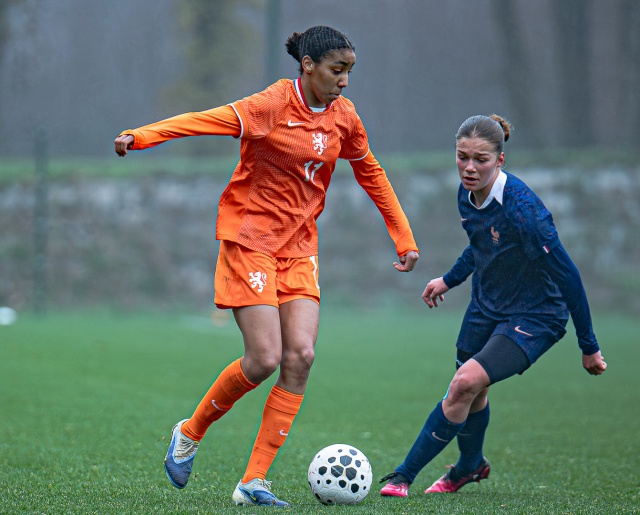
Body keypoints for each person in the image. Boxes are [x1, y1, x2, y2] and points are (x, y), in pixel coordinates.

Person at [114, 25, 420, 507]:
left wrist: (403, 237)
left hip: (299, 247)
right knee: (264, 358)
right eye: (337, 70)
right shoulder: (271, 105)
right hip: (250, 239)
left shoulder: (345, 117)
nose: (344, 81)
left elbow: (371, 173)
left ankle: (253, 480)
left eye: (349, 71)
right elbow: (202, 121)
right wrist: (141, 136)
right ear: (308, 66)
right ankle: (189, 433)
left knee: (301, 357)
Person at [379, 114, 606, 498]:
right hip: (487, 305)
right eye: (462, 157)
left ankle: (402, 477)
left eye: (480, 159)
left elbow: (568, 276)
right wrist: (449, 279)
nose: (469, 167)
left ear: (500, 160)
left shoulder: (524, 210)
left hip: (536, 314)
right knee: (474, 390)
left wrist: (589, 345)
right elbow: (482, 244)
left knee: (464, 383)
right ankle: (470, 466)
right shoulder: (465, 194)